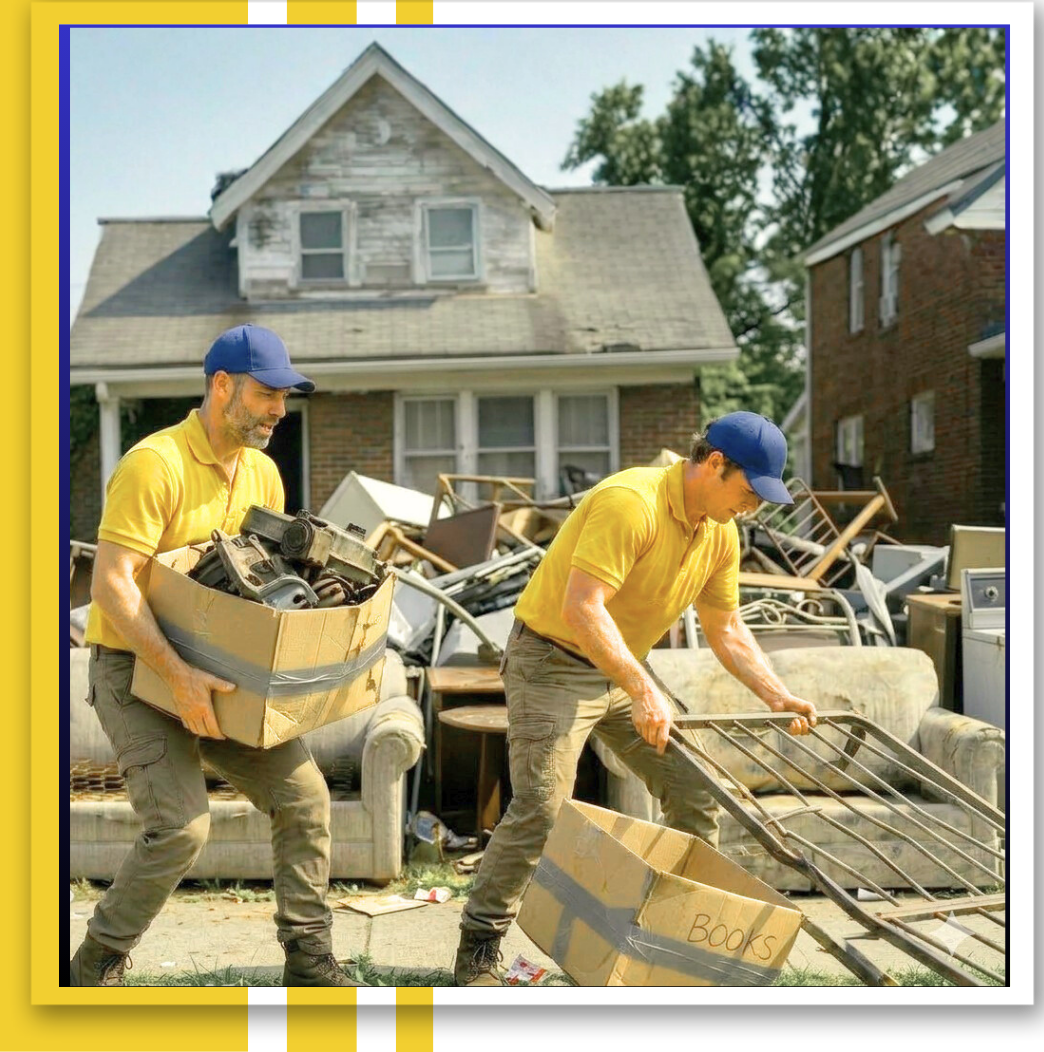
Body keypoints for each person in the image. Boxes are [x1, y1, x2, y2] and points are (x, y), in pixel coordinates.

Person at [453, 411, 819, 986]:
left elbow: (725, 627)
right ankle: (478, 946)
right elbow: (583, 607)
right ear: (714, 463)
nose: (752, 509)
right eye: (749, 493)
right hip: (551, 661)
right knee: (543, 806)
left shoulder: (720, 531)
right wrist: (643, 688)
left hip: (621, 666)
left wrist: (779, 695)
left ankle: (675, 942)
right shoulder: (633, 501)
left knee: (697, 790)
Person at [70, 324, 362, 987]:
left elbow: (260, 586)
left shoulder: (262, 472)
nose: (278, 411)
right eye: (266, 395)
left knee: (306, 799)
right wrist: (178, 676)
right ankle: (92, 969)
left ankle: (310, 961)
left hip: (225, 672)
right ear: (222, 385)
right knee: (180, 827)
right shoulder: (155, 463)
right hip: (136, 668)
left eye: (285, 398)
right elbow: (113, 585)